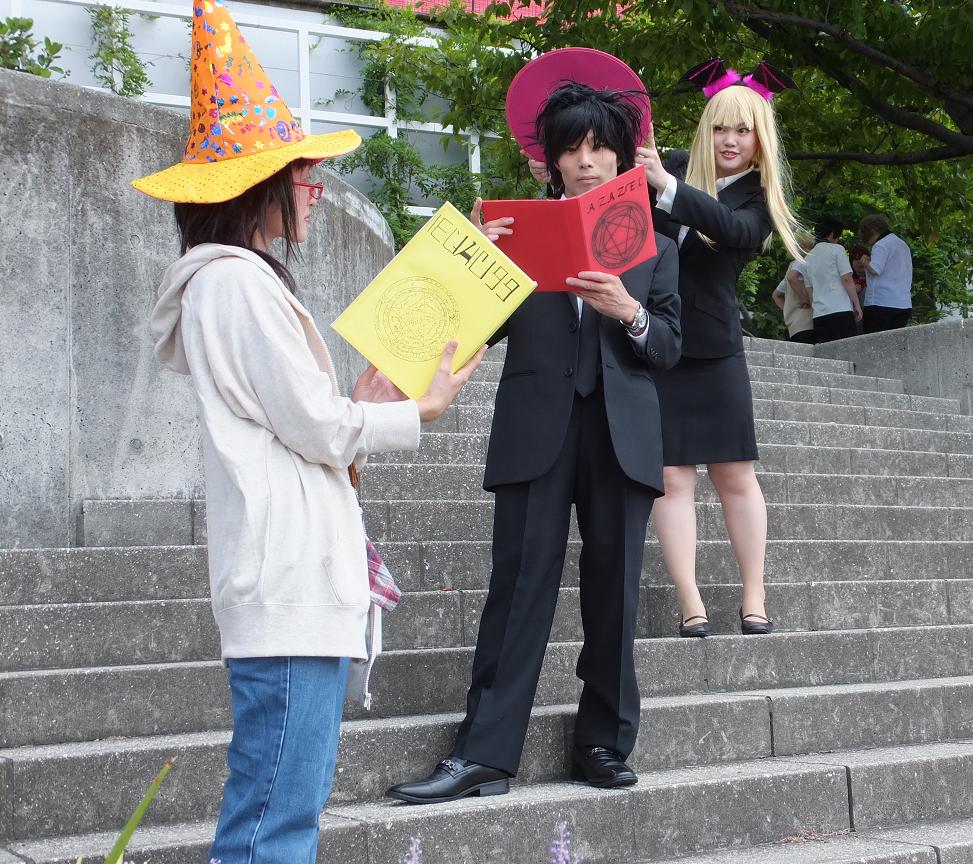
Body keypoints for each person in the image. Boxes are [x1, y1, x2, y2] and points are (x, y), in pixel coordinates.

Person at [133, 2, 482, 859]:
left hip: (293, 584)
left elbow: (309, 434)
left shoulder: (237, 283)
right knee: (273, 821)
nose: (315, 191)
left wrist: (360, 407)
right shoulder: (235, 285)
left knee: (281, 808)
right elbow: (317, 428)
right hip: (286, 592)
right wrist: (415, 410)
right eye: (304, 176)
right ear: (262, 183)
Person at [386, 81, 681, 804]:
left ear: (622, 159)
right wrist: (475, 266)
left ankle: (604, 744)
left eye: (600, 148)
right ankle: (484, 752)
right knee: (517, 590)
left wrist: (629, 311)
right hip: (536, 428)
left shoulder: (658, 245)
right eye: (572, 150)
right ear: (549, 162)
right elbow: (468, 333)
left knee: (614, 595)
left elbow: (672, 346)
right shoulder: (513, 235)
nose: (586, 162)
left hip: (622, 434)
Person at [633, 79, 805, 638]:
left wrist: (665, 186)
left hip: (716, 350)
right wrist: (554, 171)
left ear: (761, 140)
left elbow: (728, 229)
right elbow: (607, 188)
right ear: (706, 130)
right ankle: (691, 603)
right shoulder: (674, 165)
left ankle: (753, 596)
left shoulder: (757, 200)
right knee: (670, 477)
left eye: (744, 129)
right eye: (721, 126)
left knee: (735, 475)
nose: (730, 139)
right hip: (660, 342)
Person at [806, 217, 862, 343]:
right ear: (832, 234)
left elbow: (809, 290)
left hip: (819, 314)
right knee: (849, 351)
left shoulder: (807, 258)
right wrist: (857, 304)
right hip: (840, 310)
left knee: (827, 356)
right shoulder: (837, 250)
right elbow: (847, 279)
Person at [858, 214, 913, 332]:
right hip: (903, 304)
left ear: (871, 231)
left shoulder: (881, 245)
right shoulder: (902, 244)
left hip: (880, 303)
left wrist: (865, 261)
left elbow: (875, 270)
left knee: (874, 345)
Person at [774, 232, 816, 343]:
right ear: (804, 247)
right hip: (807, 322)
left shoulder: (791, 266)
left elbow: (776, 295)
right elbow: (792, 278)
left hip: (793, 325)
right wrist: (804, 299)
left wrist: (788, 309)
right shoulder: (803, 262)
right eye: (810, 247)